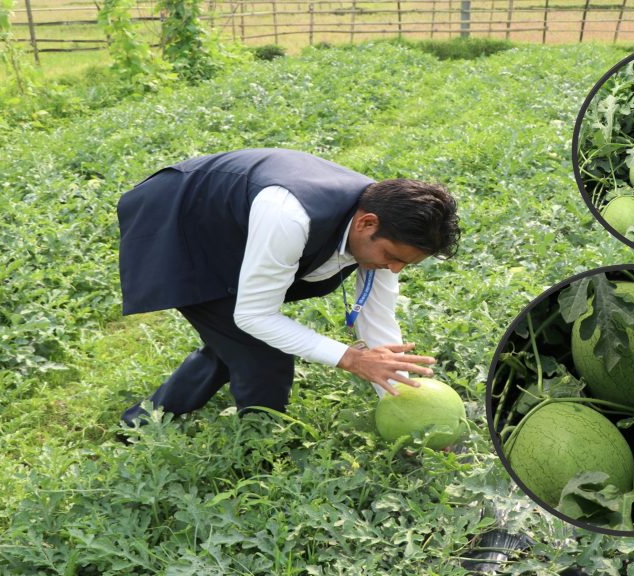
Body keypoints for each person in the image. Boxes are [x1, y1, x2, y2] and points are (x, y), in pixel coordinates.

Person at [116, 148, 460, 430]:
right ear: (366, 223)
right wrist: (350, 359)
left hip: (241, 226)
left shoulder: (388, 224)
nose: (395, 268)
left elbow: (376, 318)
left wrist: (403, 401)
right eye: (392, 257)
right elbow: (254, 315)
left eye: (406, 264)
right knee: (263, 354)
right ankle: (259, 447)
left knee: (234, 340)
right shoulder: (291, 217)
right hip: (185, 221)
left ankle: (144, 422)